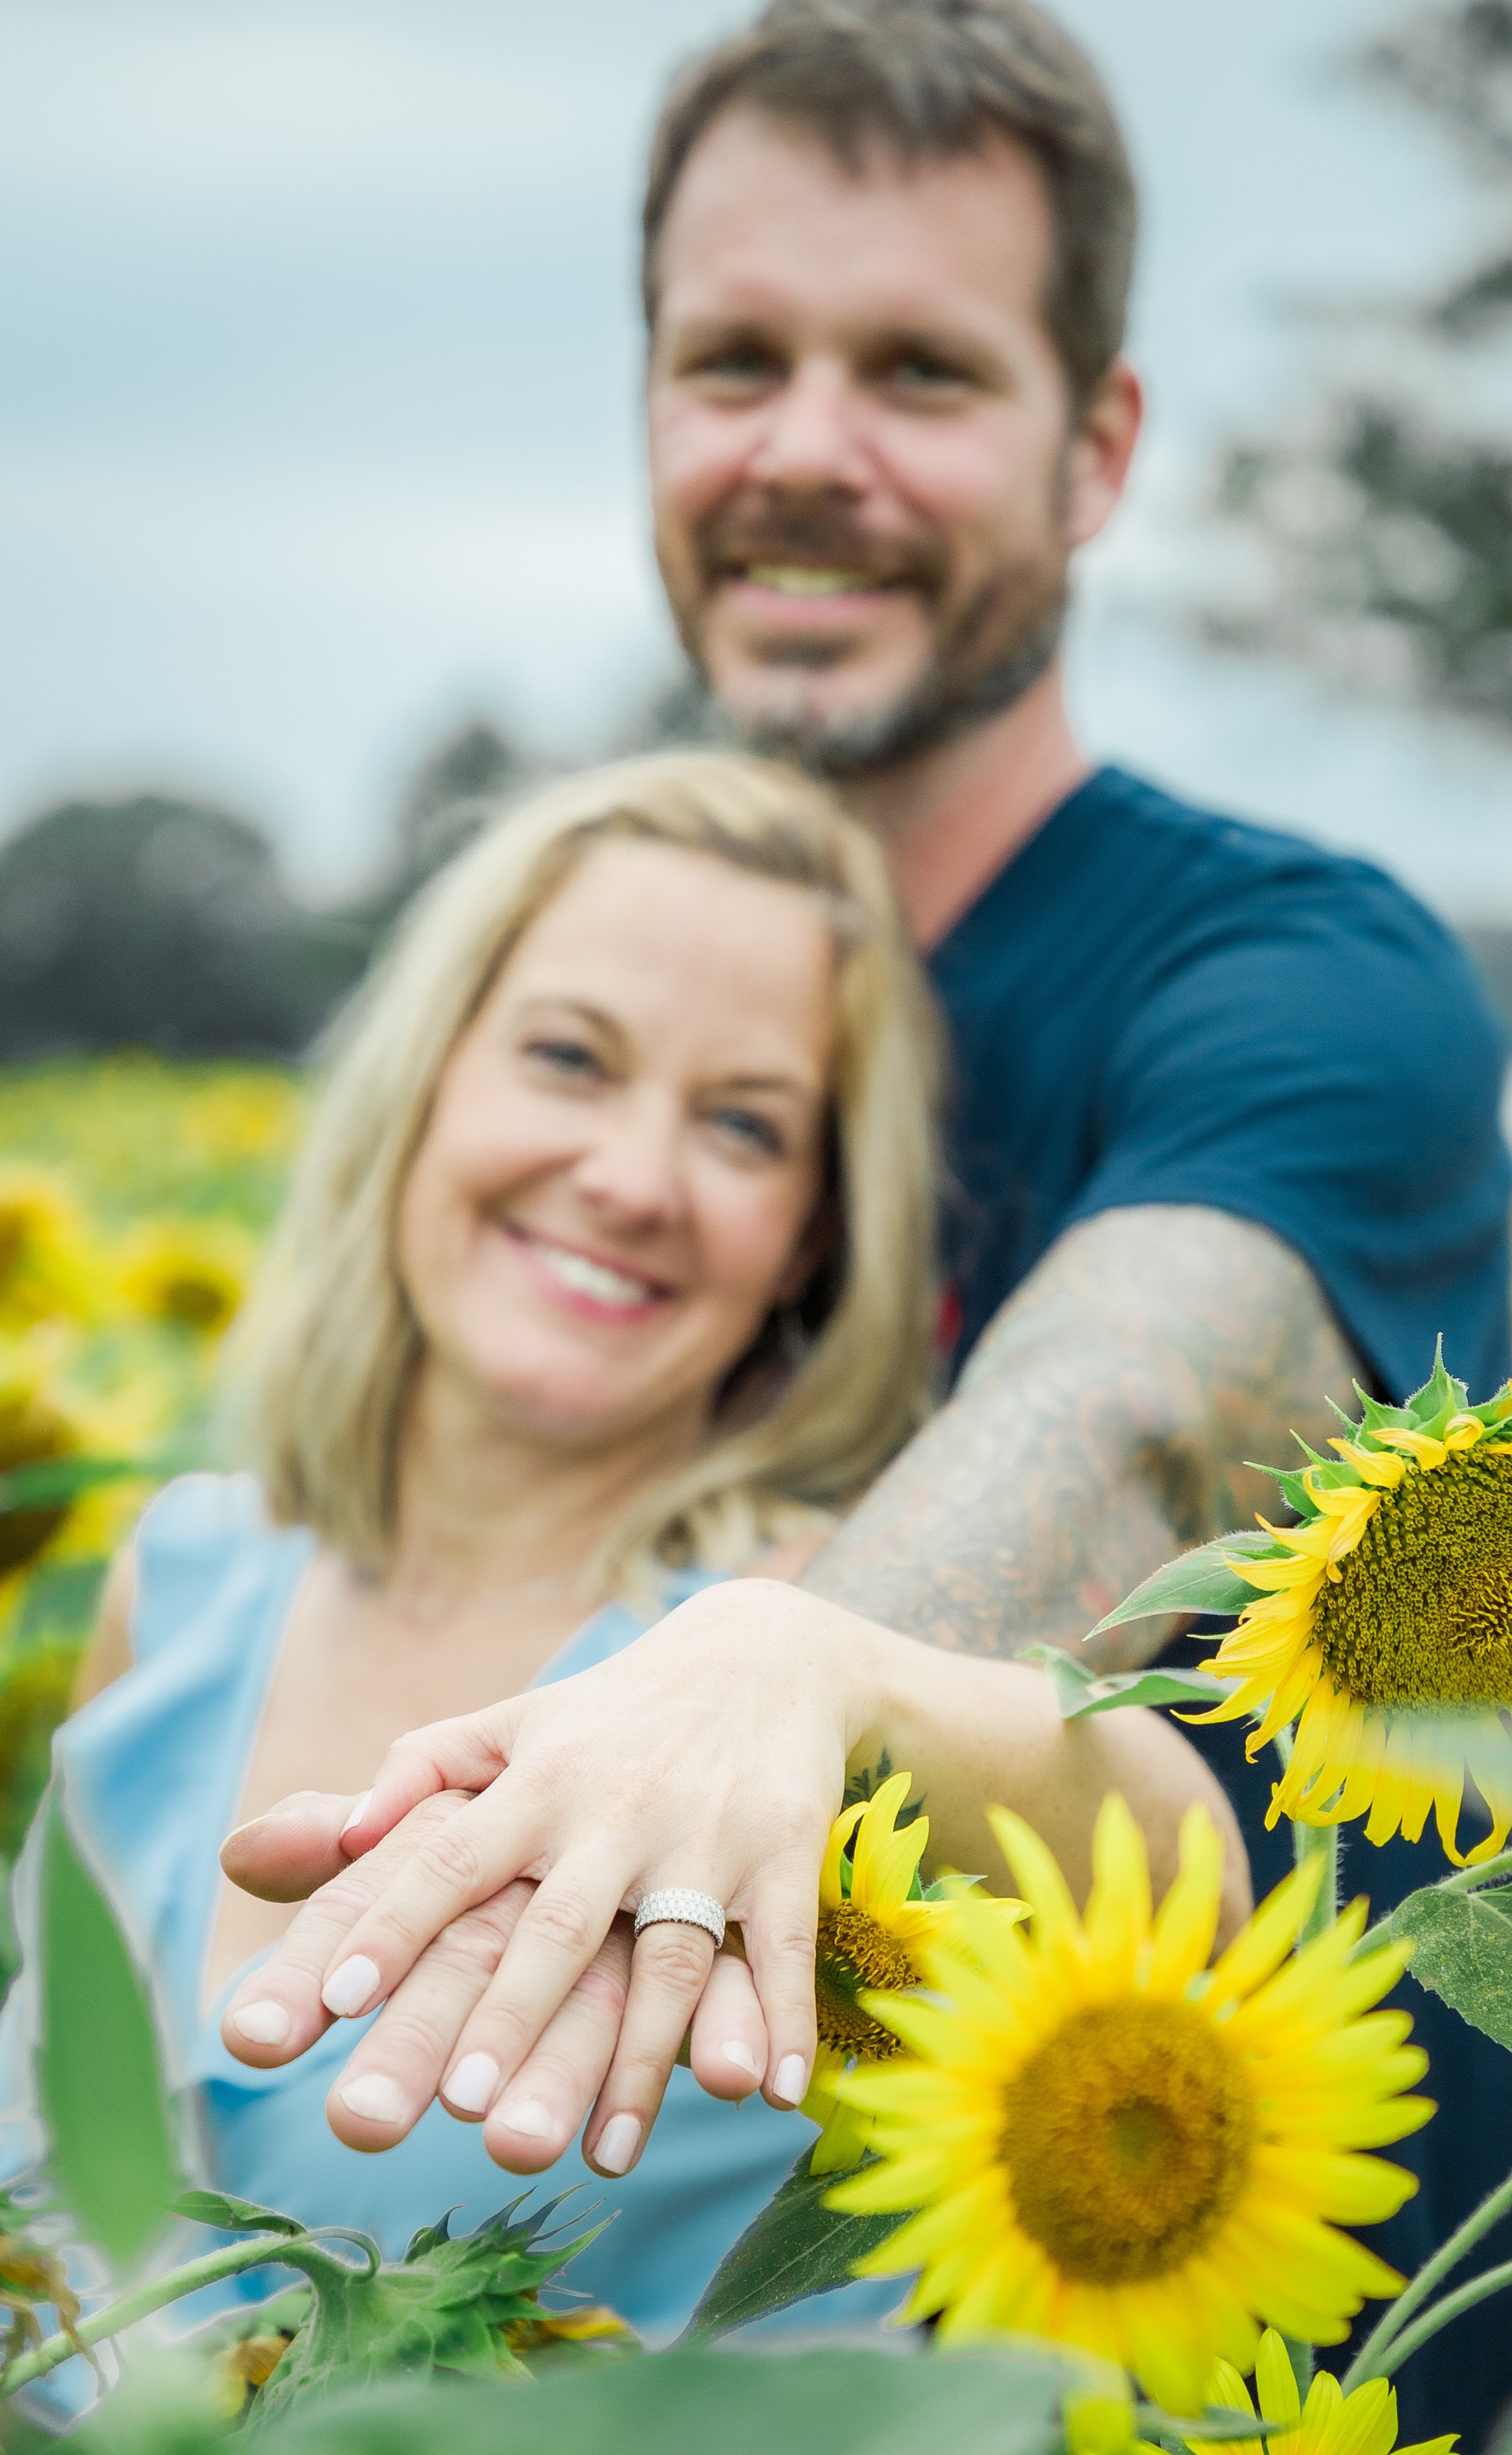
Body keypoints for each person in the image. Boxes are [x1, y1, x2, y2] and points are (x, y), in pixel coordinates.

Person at [220, 0, 1512, 2443]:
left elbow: (1138, 1393)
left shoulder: (1292, 980)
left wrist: (784, 1662)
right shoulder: (621, 1007)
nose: (806, 454)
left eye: (923, 376)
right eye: (733, 361)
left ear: (1097, 447)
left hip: (1308, 2353)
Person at [0, 752, 1241, 2391]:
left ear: (812, 1229)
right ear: (427, 1077)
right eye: (570, 1059)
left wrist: (812, 1668)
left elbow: (1182, 1884)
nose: (634, 1179)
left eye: (743, 1125)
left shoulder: (812, 1639)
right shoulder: (184, 1571)